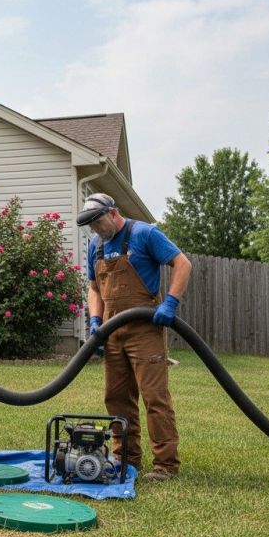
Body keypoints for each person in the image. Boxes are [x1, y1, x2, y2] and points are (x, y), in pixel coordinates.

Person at [77, 194, 192, 482]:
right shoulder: (96, 246)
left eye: (98, 222)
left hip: (145, 330)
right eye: (91, 226)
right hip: (112, 332)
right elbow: (94, 287)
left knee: (155, 397)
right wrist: (94, 320)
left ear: (113, 213)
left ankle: (165, 465)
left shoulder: (144, 233)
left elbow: (182, 264)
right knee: (116, 398)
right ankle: (125, 459)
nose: (96, 229)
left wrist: (170, 303)